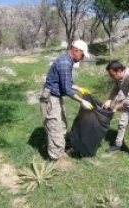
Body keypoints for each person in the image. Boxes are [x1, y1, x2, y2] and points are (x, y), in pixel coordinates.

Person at [39, 40, 94, 169]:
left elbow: (67, 82)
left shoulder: (68, 61)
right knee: (55, 127)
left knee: (62, 124)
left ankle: (58, 150)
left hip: (56, 97)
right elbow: (67, 90)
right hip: (51, 98)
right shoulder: (65, 63)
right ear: (75, 51)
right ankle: (54, 159)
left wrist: (80, 89)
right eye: (81, 55)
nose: (81, 59)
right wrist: (82, 101)